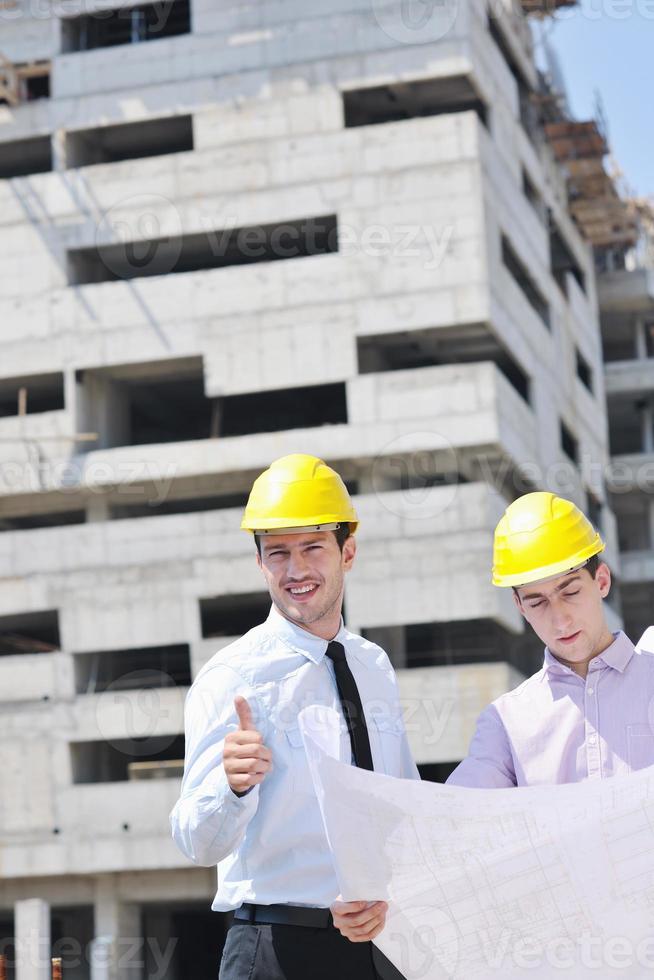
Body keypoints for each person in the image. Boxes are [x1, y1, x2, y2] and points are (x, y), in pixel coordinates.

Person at [170, 454, 418, 980]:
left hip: (384, 946)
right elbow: (196, 841)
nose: (296, 570)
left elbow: (402, 800)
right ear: (260, 564)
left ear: (347, 551)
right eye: (278, 553)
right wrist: (232, 787)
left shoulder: (373, 666)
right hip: (277, 950)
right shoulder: (231, 677)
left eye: (312, 547)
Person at [446, 490, 654, 788]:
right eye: (537, 602)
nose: (560, 619)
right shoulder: (506, 723)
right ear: (520, 607)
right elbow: (454, 814)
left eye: (570, 592)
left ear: (602, 581)